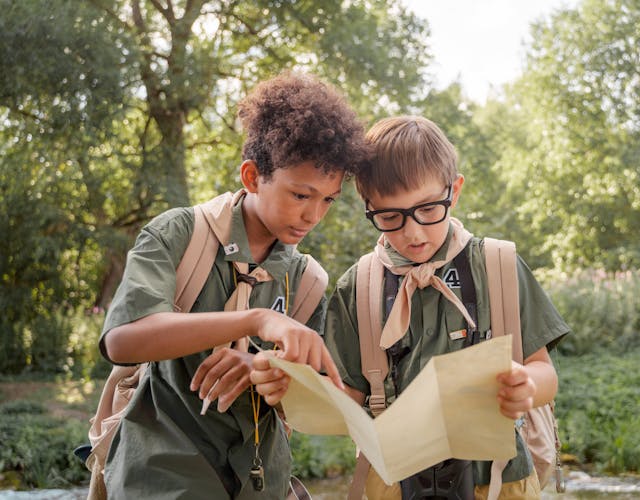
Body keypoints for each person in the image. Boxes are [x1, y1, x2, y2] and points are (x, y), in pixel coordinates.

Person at [254, 115, 569, 499]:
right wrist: (295, 389)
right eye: (390, 217)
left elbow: (545, 375)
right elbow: (350, 397)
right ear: (368, 207)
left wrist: (526, 385)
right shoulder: (359, 286)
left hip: (498, 480)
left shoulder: (497, 265)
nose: (413, 232)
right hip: (392, 482)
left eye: (428, 209)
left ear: (454, 192)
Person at [98, 72, 370, 500]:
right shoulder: (178, 234)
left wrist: (267, 372)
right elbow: (122, 342)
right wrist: (257, 319)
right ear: (251, 176)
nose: (314, 215)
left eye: (328, 199)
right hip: (162, 474)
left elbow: (308, 398)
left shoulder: (308, 280)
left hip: (263, 483)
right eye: (300, 195)